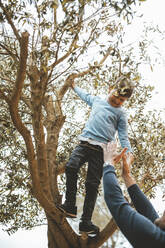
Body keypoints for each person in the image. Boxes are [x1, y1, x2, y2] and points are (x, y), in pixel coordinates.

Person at [58, 75, 134, 235]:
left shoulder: (120, 114)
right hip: (84, 143)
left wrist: (128, 152)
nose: (118, 102)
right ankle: (70, 205)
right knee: (71, 167)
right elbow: (85, 95)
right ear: (110, 89)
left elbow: (123, 135)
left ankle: (85, 222)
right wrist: (73, 86)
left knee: (92, 185)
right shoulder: (97, 101)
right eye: (117, 97)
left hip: (101, 151)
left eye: (122, 100)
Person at [103, 142, 165, 248]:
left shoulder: (157, 241)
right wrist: (126, 175)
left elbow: (116, 203)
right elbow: (148, 212)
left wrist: (108, 163)